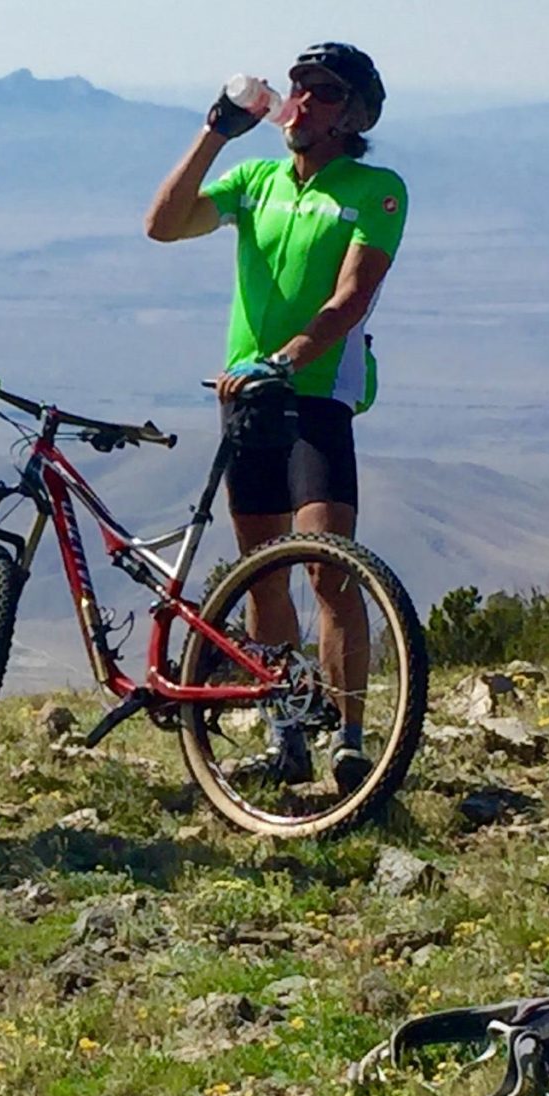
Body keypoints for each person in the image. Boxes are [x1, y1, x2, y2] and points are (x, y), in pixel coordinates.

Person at [143, 42, 407, 791]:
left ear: (353, 114)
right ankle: (286, 728)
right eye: (296, 90)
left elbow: (351, 297)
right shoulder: (256, 180)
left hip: (317, 396)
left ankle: (351, 736)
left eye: (321, 94)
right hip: (245, 399)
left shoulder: (376, 188)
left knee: (328, 567)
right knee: (264, 579)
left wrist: (288, 358)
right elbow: (162, 224)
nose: (300, 103)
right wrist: (217, 131)